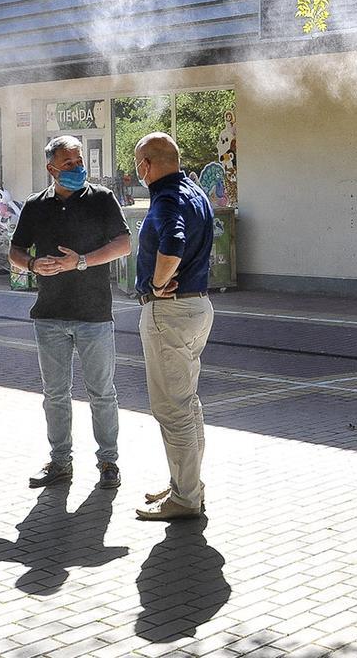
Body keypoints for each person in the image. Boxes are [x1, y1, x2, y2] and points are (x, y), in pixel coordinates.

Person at [7, 135, 132, 489]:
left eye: (79, 162)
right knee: (55, 394)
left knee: (102, 392)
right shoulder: (35, 205)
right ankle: (60, 463)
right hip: (49, 315)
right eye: (69, 164)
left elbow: (123, 244)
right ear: (51, 169)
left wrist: (81, 262)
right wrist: (32, 264)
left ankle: (108, 463)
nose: (78, 168)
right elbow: (14, 251)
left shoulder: (102, 199)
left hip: (94, 314)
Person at [131, 132, 215, 521]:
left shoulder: (165, 198)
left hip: (170, 313)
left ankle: (185, 497)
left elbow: (173, 243)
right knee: (188, 403)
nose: (137, 171)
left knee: (173, 409)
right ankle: (188, 484)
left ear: (147, 163)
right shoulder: (194, 191)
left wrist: (158, 283)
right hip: (198, 308)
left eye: (137, 163)